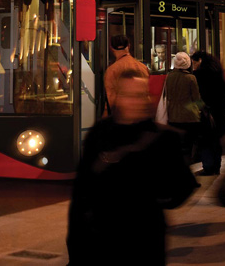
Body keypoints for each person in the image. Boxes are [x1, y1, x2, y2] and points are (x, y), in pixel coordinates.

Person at [67, 71, 196, 265]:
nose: (136, 101)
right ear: (117, 97)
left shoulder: (163, 139)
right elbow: (81, 191)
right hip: (101, 239)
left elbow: (182, 187)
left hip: (144, 240)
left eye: (141, 95)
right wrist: (76, 245)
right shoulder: (99, 134)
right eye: (129, 95)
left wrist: (154, 197)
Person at [191, 51, 225, 176]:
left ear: (200, 60)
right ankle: (216, 167)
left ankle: (208, 167)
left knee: (205, 141)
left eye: (194, 63)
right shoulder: (218, 73)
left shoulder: (198, 75)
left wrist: (198, 107)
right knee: (216, 141)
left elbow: (197, 97)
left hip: (206, 113)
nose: (193, 66)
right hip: (220, 112)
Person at [164, 51, 203, 163]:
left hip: (173, 116)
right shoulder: (191, 78)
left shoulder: (169, 77)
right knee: (188, 146)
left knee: (177, 146)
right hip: (189, 117)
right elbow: (196, 99)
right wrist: (202, 109)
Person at [104, 34, 150, 114]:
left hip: (124, 114)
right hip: (143, 112)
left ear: (111, 48)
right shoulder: (143, 67)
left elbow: (111, 98)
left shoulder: (112, 70)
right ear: (128, 46)